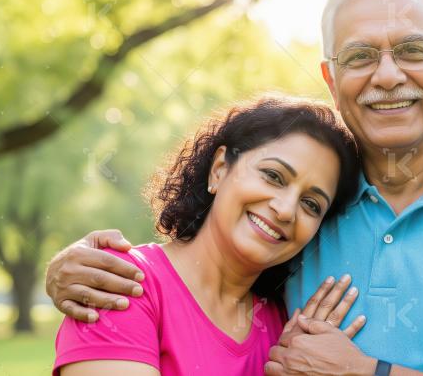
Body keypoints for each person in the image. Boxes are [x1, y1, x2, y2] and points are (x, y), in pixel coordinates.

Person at [46, 0, 423, 376]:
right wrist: (76, 269)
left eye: (413, 50)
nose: (388, 76)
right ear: (332, 81)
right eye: (360, 56)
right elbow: (200, 277)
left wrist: (367, 373)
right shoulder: (312, 214)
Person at [52, 97, 364, 375]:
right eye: (273, 176)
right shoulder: (119, 282)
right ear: (219, 169)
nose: (285, 210)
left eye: (311, 204)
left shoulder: (287, 331)